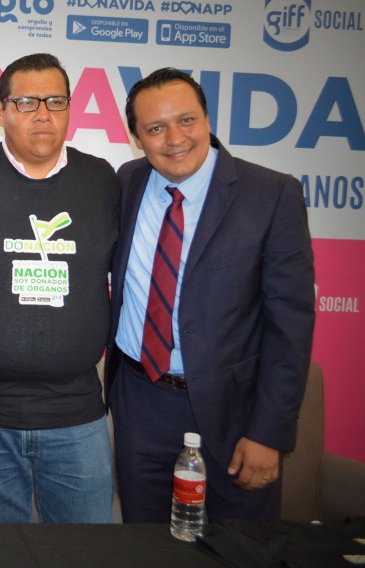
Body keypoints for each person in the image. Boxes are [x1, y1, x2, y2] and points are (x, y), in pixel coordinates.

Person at [106, 67, 315, 522]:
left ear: (207, 120)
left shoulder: (271, 194)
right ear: (136, 138)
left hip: (234, 412)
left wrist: (269, 432)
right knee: (145, 547)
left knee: (239, 549)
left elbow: (290, 327)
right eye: (155, 128)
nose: (175, 139)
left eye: (187, 120)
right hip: (141, 402)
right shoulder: (127, 182)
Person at [0, 53, 120, 523]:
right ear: (0, 112)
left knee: (86, 556)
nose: (42, 114)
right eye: (26, 102)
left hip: (77, 416)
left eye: (56, 101)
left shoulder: (101, 181)